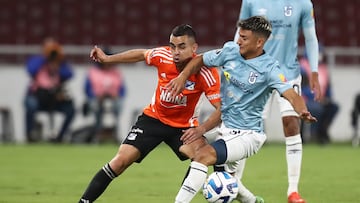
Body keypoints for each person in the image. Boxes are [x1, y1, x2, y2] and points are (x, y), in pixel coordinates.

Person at [168, 16, 317, 203]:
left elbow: (291, 95)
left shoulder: (270, 69)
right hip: (226, 130)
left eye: (244, 38)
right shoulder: (230, 50)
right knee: (227, 181)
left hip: (249, 135)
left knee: (203, 156)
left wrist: (302, 110)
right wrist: (183, 76)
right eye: (240, 35)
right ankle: (253, 201)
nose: (239, 40)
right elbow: (200, 60)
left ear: (259, 42)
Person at [78, 24, 221, 203]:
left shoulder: (206, 72)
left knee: (203, 156)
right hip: (153, 119)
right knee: (120, 161)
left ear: (194, 48)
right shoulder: (163, 56)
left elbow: (221, 109)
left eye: (182, 46)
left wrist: (201, 129)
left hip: (183, 127)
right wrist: (107, 59)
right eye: (172, 46)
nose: (175, 52)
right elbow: (141, 54)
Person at [233, 1, 321, 202]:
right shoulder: (251, 1)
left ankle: (293, 191)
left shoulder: (303, 3)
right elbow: (240, 35)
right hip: (255, 73)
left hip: (288, 73)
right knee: (246, 128)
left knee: (291, 124)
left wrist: (314, 70)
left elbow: (310, 37)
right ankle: (234, 183)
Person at [24, 38, 75, 143]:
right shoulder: (37, 61)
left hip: (54, 98)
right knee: (30, 105)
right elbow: (31, 69)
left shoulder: (60, 63)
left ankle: (60, 136)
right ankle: (30, 135)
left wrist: (58, 60)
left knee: (70, 109)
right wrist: (45, 58)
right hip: (38, 96)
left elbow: (69, 74)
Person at [82, 49, 126, 143]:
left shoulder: (116, 72)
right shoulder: (93, 72)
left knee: (117, 107)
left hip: (113, 98)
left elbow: (122, 90)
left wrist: (117, 95)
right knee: (96, 107)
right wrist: (96, 95)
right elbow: (87, 89)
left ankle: (115, 132)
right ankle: (97, 133)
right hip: (97, 98)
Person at [300, 44, 339, 145]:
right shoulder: (302, 67)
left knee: (333, 107)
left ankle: (322, 132)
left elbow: (328, 87)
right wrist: (316, 97)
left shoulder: (323, 68)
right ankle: (312, 134)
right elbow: (303, 87)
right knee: (317, 109)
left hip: (321, 99)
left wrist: (328, 98)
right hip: (305, 99)